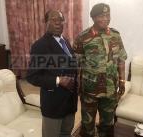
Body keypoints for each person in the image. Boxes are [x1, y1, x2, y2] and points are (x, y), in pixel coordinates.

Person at [73, 3, 127, 137]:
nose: (105, 19)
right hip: (90, 90)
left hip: (110, 89)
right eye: (101, 16)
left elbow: (121, 59)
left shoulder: (115, 35)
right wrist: (77, 85)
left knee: (108, 124)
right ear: (93, 17)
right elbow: (76, 65)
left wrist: (122, 80)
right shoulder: (82, 37)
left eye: (108, 15)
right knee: (87, 124)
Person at [26, 10, 78, 137]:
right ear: (46, 22)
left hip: (70, 101)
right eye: (54, 20)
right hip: (54, 103)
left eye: (61, 20)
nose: (58, 23)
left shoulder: (64, 40)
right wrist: (58, 80)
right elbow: (32, 77)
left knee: (66, 133)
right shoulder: (40, 45)